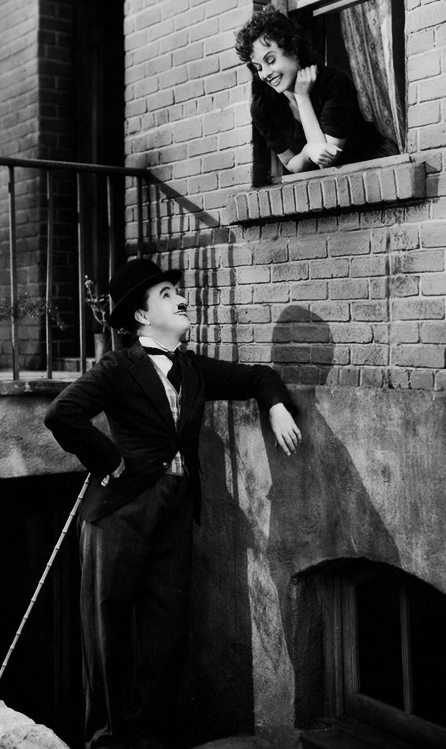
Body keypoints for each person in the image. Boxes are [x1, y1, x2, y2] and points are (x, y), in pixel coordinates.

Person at [44, 258, 301, 749]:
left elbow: (258, 376)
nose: (181, 299)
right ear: (142, 316)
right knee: (108, 633)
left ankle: (150, 737)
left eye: (176, 293)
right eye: (166, 295)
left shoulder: (193, 368)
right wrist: (110, 461)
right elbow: (63, 414)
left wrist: (275, 405)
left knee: (167, 631)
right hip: (119, 512)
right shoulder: (118, 368)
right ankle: (107, 740)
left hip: (175, 510)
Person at [235, 5, 398, 174]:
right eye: (258, 68)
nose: (265, 73)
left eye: (270, 61)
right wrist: (307, 152)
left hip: (377, 169)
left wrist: (302, 97)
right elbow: (290, 162)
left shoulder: (334, 82)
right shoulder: (263, 106)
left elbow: (326, 159)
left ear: (293, 49)